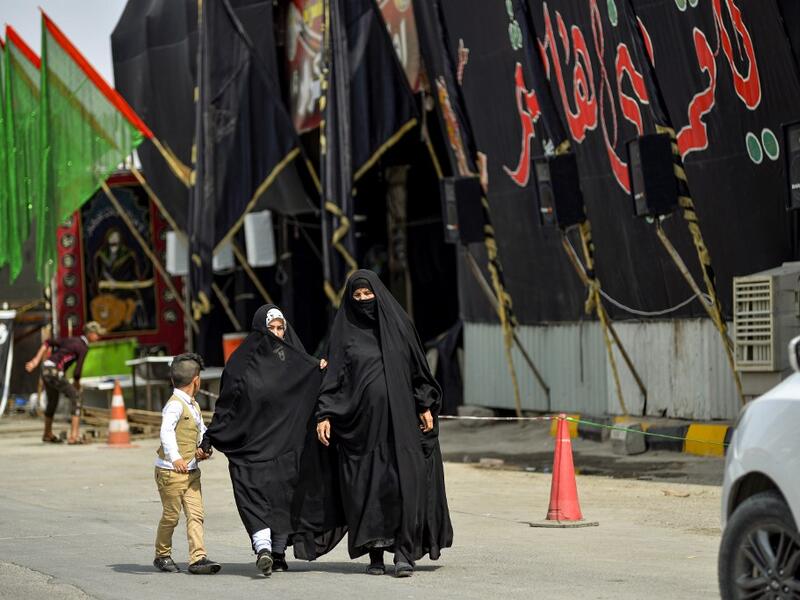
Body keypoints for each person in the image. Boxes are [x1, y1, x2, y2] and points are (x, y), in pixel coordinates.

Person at [316, 270, 453, 577]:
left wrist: (425, 405)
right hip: (362, 430)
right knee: (369, 489)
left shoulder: (399, 326)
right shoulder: (345, 332)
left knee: (404, 484)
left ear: (378, 293)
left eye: (368, 294)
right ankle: (375, 552)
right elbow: (334, 376)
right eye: (357, 296)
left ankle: (404, 554)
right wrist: (324, 413)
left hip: (401, 424)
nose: (364, 300)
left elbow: (417, 367)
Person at [200, 305, 345, 577]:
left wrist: (319, 370)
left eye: (281, 328)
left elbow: (309, 384)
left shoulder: (297, 363)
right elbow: (228, 404)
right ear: (259, 329)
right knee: (251, 495)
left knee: (284, 500)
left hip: (286, 447)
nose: (277, 334)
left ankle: (276, 554)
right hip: (250, 446)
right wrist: (213, 433)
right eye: (271, 328)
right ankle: (263, 548)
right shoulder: (241, 364)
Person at [153, 353, 221, 575]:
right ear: (197, 380)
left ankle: (198, 558)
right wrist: (175, 457)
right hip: (170, 472)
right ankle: (162, 555)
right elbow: (166, 431)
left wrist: (202, 449)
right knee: (171, 516)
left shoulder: (193, 405)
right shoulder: (174, 405)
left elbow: (199, 430)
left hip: (191, 472)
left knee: (196, 514)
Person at [25, 321, 106, 444]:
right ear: (90, 334)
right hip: (54, 371)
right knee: (77, 398)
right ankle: (74, 436)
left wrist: (36, 361)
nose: (98, 337)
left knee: (53, 401)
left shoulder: (70, 340)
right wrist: (77, 385)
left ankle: (47, 433)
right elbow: (77, 372)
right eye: (97, 334)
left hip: (46, 369)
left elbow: (47, 342)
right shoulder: (83, 347)